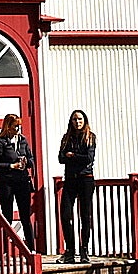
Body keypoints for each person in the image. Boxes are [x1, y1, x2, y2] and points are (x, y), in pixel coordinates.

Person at [0, 113, 36, 250]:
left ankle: (31, 249)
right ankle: (5, 249)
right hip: (7, 183)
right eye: (16, 127)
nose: (18, 130)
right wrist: (11, 166)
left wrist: (27, 162)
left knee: (25, 216)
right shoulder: (0, 142)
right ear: (8, 127)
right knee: (7, 216)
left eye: (20, 127)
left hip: (22, 182)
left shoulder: (23, 140)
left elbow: (32, 159)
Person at [57, 109, 97, 263]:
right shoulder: (66, 138)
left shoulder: (90, 137)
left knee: (85, 216)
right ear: (71, 122)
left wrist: (72, 155)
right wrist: (71, 156)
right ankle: (70, 251)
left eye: (80, 119)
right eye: (74, 119)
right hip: (70, 180)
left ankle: (84, 250)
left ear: (84, 121)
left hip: (86, 179)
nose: (77, 122)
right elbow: (61, 158)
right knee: (65, 215)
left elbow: (88, 158)